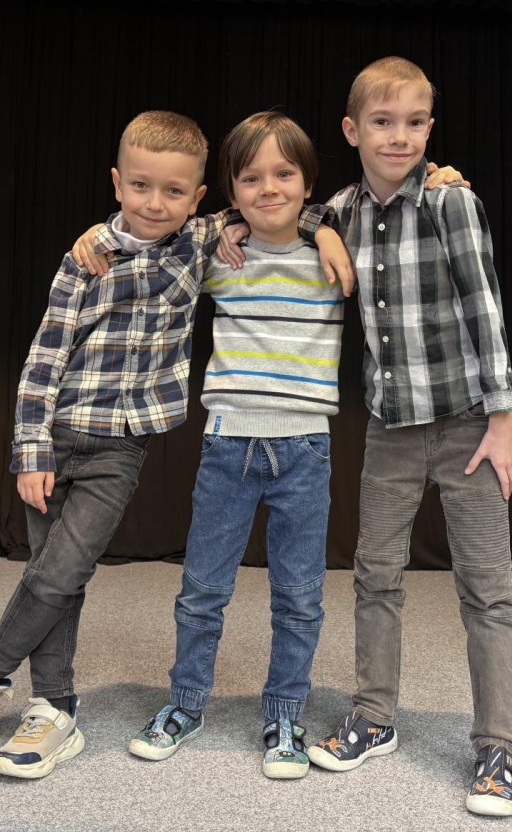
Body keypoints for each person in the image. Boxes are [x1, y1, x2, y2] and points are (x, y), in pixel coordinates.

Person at [0, 110, 341, 779]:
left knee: (65, 570)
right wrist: (31, 448)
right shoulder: (89, 257)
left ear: (198, 197)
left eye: (174, 191)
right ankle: (54, 708)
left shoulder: (200, 245)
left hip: (123, 446)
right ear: (117, 183)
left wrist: (325, 226)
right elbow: (43, 359)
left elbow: (281, 207)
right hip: (58, 437)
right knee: (53, 577)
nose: (155, 202)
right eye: (140, 186)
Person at [302, 57, 512, 817]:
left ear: (431, 127)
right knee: (376, 575)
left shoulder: (450, 201)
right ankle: (373, 716)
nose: (399, 137)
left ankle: (499, 747)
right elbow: (279, 209)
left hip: (468, 425)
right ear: (352, 129)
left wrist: (503, 421)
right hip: (391, 429)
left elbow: (485, 308)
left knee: (487, 589)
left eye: (415, 122)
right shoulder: (340, 211)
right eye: (383, 122)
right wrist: (314, 228)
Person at [116, 111, 341, 779]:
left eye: (284, 174)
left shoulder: (335, 252)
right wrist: (217, 226)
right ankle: (186, 703)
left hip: (305, 450)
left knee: (299, 596)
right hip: (228, 445)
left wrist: (324, 226)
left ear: (307, 183)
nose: (268, 188)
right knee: (202, 590)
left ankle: (285, 714)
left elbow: (379, 214)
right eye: (250, 178)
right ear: (231, 191)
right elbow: (152, 237)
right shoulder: (220, 256)